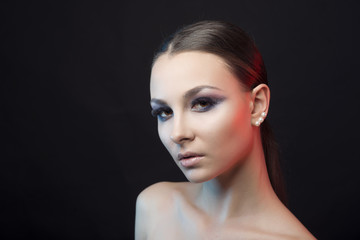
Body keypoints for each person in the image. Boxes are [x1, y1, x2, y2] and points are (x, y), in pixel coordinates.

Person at [135, 20, 316, 240]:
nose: (177, 133)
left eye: (202, 103)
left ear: (257, 104)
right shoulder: (155, 208)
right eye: (164, 112)